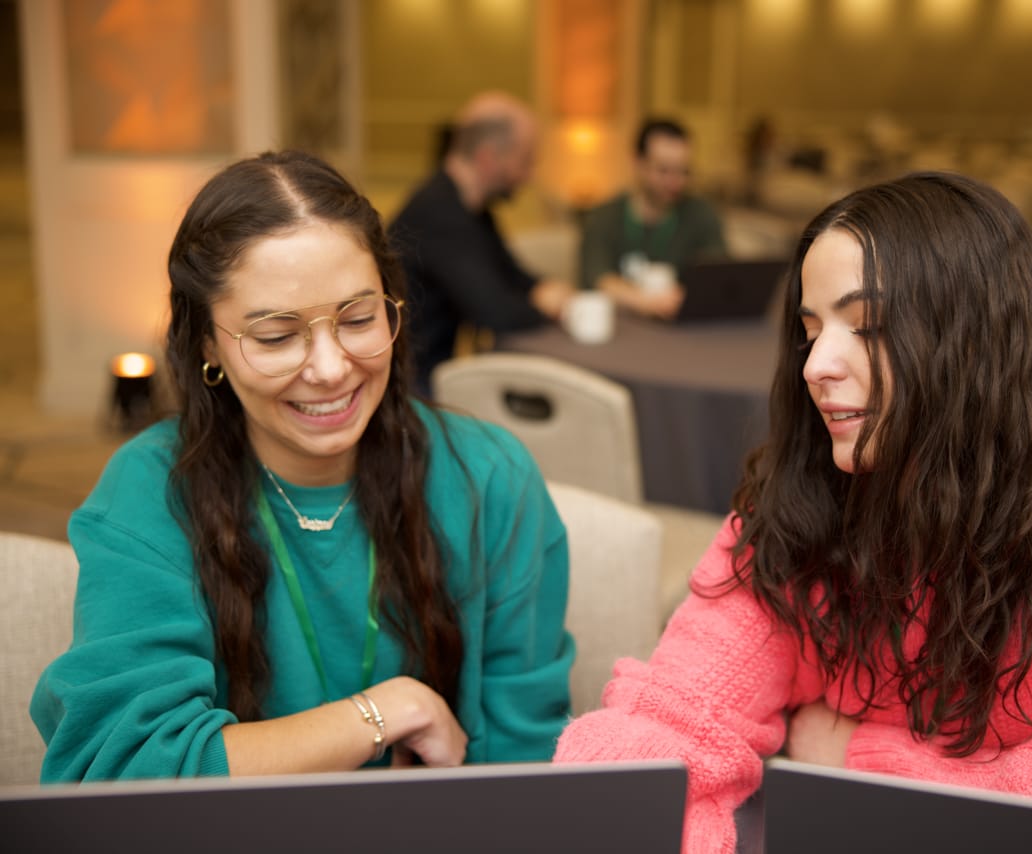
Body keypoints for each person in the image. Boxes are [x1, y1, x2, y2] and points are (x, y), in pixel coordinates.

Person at [554, 172, 1032, 851]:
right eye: (810, 330)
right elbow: (672, 721)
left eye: (864, 326)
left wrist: (856, 755)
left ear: (974, 336)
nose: (814, 366)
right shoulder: (806, 490)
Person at [31, 150, 574, 781]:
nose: (330, 368)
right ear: (207, 342)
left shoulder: (489, 480)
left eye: (358, 318)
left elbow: (526, 768)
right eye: (275, 336)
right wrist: (379, 713)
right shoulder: (151, 491)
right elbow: (119, 769)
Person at [388, 92, 575, 395]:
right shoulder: (440, 214)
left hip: (433, 371)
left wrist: (545, 288)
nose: (528, 175)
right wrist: (548, 309)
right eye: (525, 161)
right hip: (409, 388)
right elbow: (495, 313)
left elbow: (512, 274)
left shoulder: (473, 210)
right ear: (488, 158)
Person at [579, 118, 727, 319]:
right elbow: (598, 278)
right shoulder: (604, 217)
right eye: (663, 170)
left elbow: (719, 273)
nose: (675, 182)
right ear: (638, 163)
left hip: (684, 329)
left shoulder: (701, 214)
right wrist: (646, 301)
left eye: (683, 171)